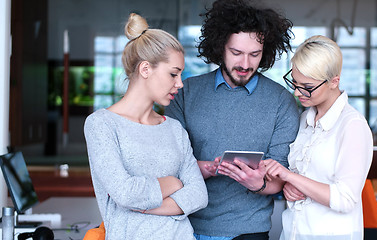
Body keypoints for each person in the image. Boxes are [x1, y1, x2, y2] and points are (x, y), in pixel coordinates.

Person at [164, 0, 299, 239]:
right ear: (220, 47)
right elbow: (168, 166)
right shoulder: (184, 93)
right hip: (184, 226)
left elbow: (279, 180)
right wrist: (208, 168)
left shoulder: (282, 101)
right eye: (236, 53)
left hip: (249, 231)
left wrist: (258, 183)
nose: (245, 64)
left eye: (254, 54)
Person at [83, 13, 208, 240]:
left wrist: (146, 206)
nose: (180, 83)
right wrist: (174, 183)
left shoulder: (174, 129)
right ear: (145, 69)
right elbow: (125, 193)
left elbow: (199, 195)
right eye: (173, 74)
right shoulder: (101, 124)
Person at [264, 35, 373, 239]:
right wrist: (288, 186)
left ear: (334, 81)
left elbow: (345, 198)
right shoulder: (305, 119)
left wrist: (289, 176)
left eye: (307, 87)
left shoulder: (352, 126)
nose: (297, 93)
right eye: (294, 83)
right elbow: (306, 178)